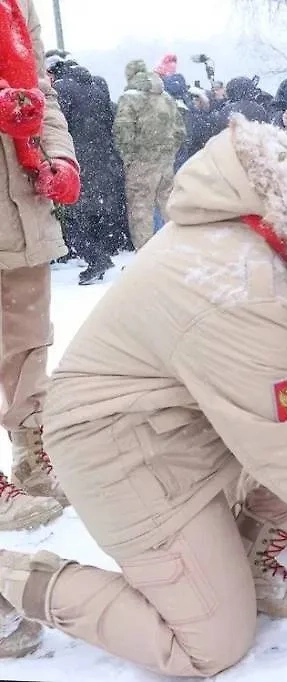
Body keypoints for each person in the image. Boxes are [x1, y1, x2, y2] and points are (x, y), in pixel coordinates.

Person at [0, 98, 287, 672]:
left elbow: (279, 370)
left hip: (180, 425)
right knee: (210, 643)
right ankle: (12, 580)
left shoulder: (268, 236)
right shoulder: (247, 285)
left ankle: (248, 564)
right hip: (120, 452)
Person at [0, 0, 79, 538]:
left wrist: (60, 156)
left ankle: (32, 451)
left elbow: (40, 91)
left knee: (28, 336)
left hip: (20, 196)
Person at [53, 62, 124, 285]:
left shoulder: (63, 88)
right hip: (101, 160)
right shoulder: (96, 88)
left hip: (78, 160)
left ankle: (96, 258)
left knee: (67, 216)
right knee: (94, 213)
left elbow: (59, 124)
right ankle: (100, 254)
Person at [114, 59, 185, 251]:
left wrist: (129, 158)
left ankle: (145, 256)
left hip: (141, 164)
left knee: (141, 212)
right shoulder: (166, 97)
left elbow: (123, 131)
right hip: (165, 163)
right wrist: (168, 153)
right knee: (169, 208)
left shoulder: (129, 98)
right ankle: (177, 250)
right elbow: (180, 131)